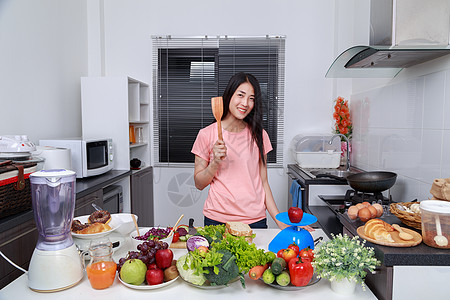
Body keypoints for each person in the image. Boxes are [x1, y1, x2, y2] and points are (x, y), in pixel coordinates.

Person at [192, 72, 308, 230]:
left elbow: (263, 183)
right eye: (240, 95)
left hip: (254, 220)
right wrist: (214, 163)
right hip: (217, 220)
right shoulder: (206, 134)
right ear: (229, 96)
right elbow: (199, 183)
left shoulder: (260, 135)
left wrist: (280, 221)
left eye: (251, 98)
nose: (245, 103)